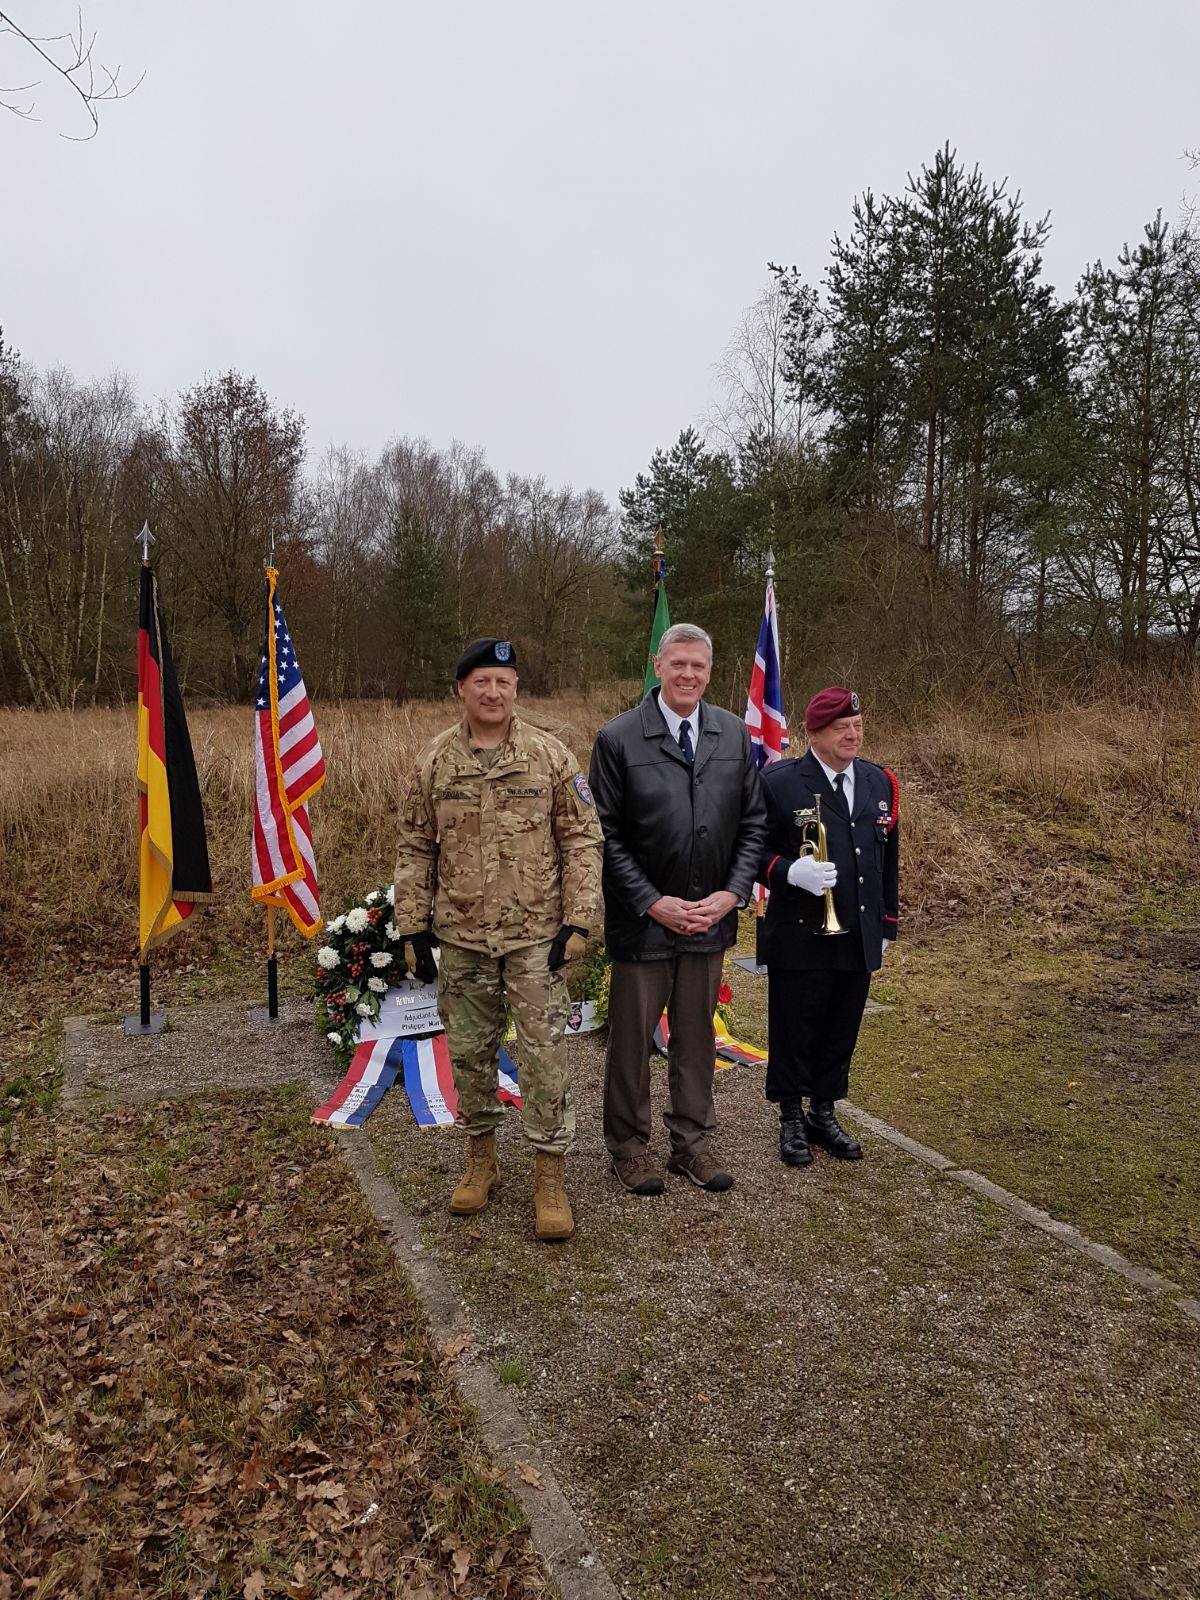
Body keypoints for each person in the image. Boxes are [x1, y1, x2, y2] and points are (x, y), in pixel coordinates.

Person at [393, 638, 603, 1242]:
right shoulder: (434, 761)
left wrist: (579, 921)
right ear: (460, 689)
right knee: (470, 1055)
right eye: (481, 682)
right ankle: (481, 1160)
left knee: (544, 1058)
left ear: (516, 690)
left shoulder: (550, 756)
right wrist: (412, 927)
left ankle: (549, 1177)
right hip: (461, 938)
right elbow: (414, 846)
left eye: (503, 683)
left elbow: (582, 839)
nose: (492, 693)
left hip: (535, 937)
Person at [588, 623, 767, 1196]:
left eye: (698, 666)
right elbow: (604, 834)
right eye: (678, 664)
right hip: (643, 923)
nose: (688, 674)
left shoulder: (733, 734)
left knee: (696, 1038)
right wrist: (651, 901)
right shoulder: (618, 738)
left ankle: (691, 1144)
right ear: (658, 666)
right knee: (632, 1043)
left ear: (709, 672)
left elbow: (754, 824)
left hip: (709, 919)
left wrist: (732, 893)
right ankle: (628, 1149)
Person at [757, 686, 900, 1166]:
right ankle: (791, 1118)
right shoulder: (778, 783)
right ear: (814, 733)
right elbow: (748, 850)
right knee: (795, 1026)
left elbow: (888, 858)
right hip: (799, 931)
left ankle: (823, 1110)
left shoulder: (879, 781)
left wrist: (886, 922)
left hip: (856, 928)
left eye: (857, 726)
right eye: (841, 728)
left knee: (841, 1026)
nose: (852, 735)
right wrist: (786, 872)